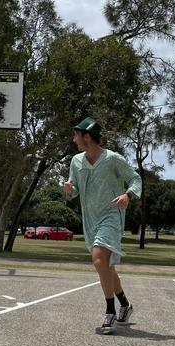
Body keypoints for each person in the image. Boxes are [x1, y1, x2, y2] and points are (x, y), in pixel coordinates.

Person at [63, 117, 142, 334]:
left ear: (86, 136)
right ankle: (125, 304)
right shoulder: (76, 161)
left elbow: (135, 179)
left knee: (99, 260)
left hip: (111, 216)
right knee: (105, 265)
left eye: (76, 135)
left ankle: (110, 311)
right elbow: (75, 189)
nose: (74, 139)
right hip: (90, 219)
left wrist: (128, 195)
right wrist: (70, 189)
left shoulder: (113, 159)